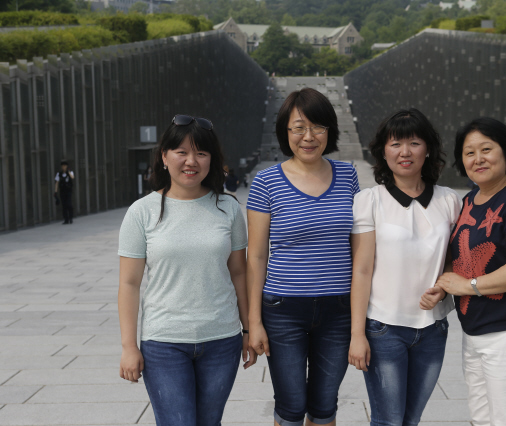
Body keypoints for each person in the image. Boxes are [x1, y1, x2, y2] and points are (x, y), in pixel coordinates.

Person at [118, 114, 256, 426]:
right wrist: (129, 346)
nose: (191, 161)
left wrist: (248, 329)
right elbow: (129, 284)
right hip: (163, 342)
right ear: (164, 156)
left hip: (222, 339)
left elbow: (239, 273)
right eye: (181, 152)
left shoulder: (228, 208)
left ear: (212, 160)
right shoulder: (142, 212)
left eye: (201, 153)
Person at [246, 88, 359, 426]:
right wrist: (254, 323)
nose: (308, 137)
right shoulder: (266, 182)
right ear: (285, 131)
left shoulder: (348, 176)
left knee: (325, 405)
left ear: (330, 131)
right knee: (292, 406)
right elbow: (256, 257)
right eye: (298, 127)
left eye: (318, 127)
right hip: (283, 310)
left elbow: (358, 246)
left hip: (339, 309)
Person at [349, 109, 462, 426]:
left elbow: (455, 262)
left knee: (410, 421)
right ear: (383, 151)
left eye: (414, 142)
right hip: (384, 329)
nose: (405, 152)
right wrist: (357, 334)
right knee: (388, 421)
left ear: (428, 149)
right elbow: (362, 270)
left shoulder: (450, 200)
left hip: (433, 329)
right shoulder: (369, 200)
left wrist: (443, 289)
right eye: (396, 143)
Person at [436, 117, 506, 426]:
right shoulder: (470, 201)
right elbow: (459, 257)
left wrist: (466, 285)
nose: (478, 158)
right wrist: (443, 284)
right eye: (469, 152)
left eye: (487, 149)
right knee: (481, 419)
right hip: (476, 332)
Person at [54, 160, 74, 224]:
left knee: (69, 204)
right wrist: (55, 192)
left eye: (65, 166)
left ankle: (71, 217)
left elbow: (72, 177)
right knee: (64, 205)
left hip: (68, 191)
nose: (63, 167)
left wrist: (68, 172)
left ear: (67, 166)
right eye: (62, 166)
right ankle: (66, 219)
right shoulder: (59, 174)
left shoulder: (70, 172)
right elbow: (57, 182)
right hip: (62, 191)